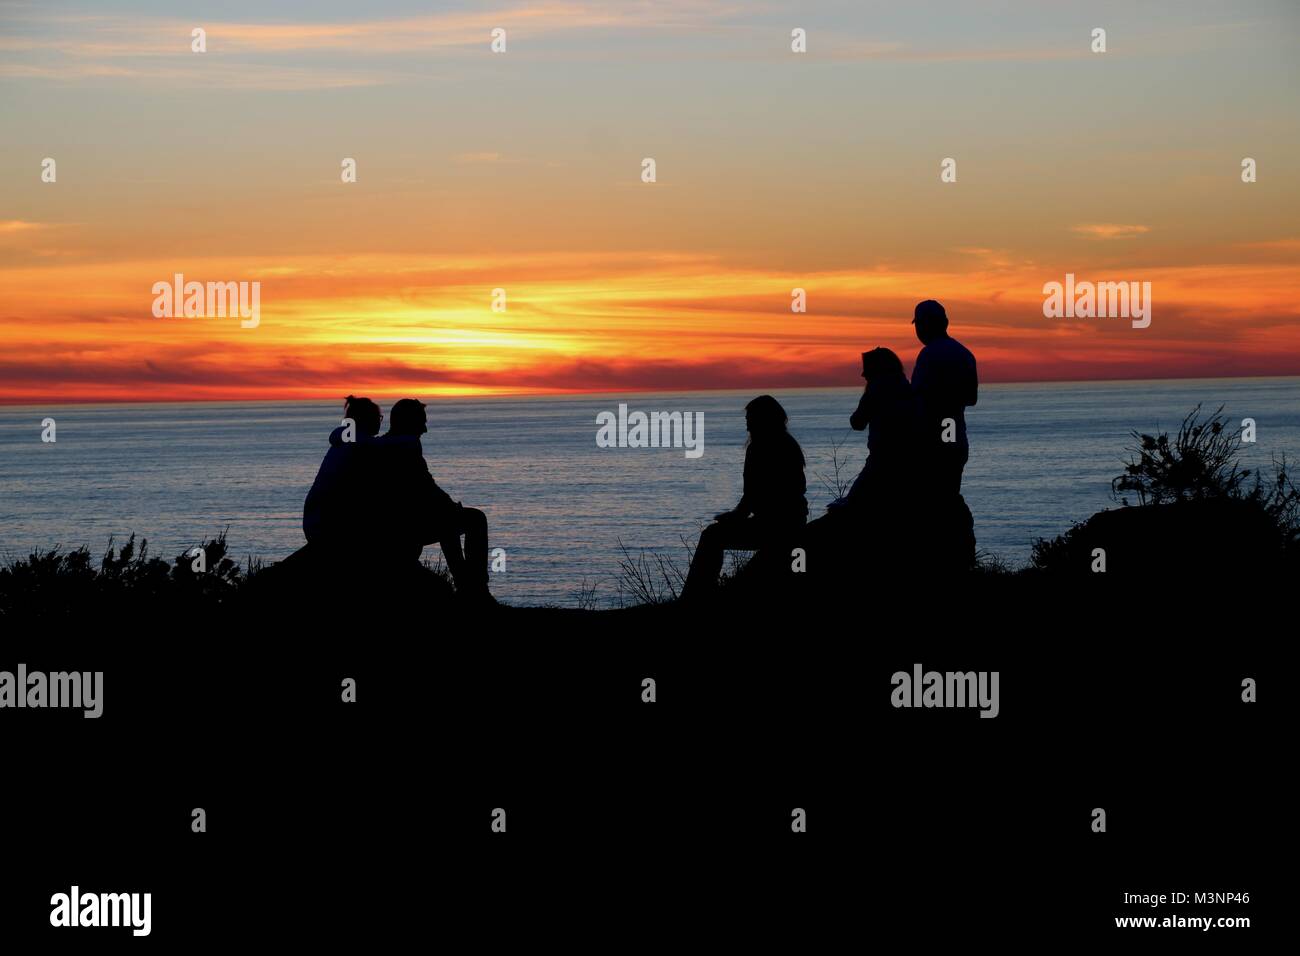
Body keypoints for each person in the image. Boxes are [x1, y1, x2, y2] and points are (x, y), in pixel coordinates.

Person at [680, 395, 807, 600]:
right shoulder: (788, 444)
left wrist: (737, 516)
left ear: (762, 419)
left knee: (712, 536)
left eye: (750, 418)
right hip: (792, 522)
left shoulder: (760, 448)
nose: (747, 424)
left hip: (774, 526)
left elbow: (753, 496)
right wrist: (738, 515)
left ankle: (694, 597)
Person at [376, 398, 492, 601]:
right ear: (409, 422)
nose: (425, 429)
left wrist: (447, 507)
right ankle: (475, 588)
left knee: (447, 523)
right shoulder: (407, 445)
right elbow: (424, 486)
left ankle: (467, 586)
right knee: (475, 520)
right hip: (402, 528)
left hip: (395, 523)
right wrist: (450, 506)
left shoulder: (384, 445)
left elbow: (422, 487)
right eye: (422, 422)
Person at [834, 347, 922, 511]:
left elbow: (857, 423)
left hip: (882, 458)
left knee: (852, 504)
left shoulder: (876, 389)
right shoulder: (906, 386)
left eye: (866, 369)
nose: (863, 375)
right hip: (909, 459)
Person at [910, 300, 978, 496]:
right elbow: (971, 398)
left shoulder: (928, 354)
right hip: (956, 438)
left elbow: (916, 396)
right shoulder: (964, 354)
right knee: (949, 499)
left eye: (920, 325)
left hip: (933, 443)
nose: (919, 331)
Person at [303, 395, 383, 551]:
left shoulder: (345, 442)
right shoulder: (360, 447)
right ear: (366, 419)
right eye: (378, 417)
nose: (380, 422)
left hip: (316, 523)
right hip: (329, 527)